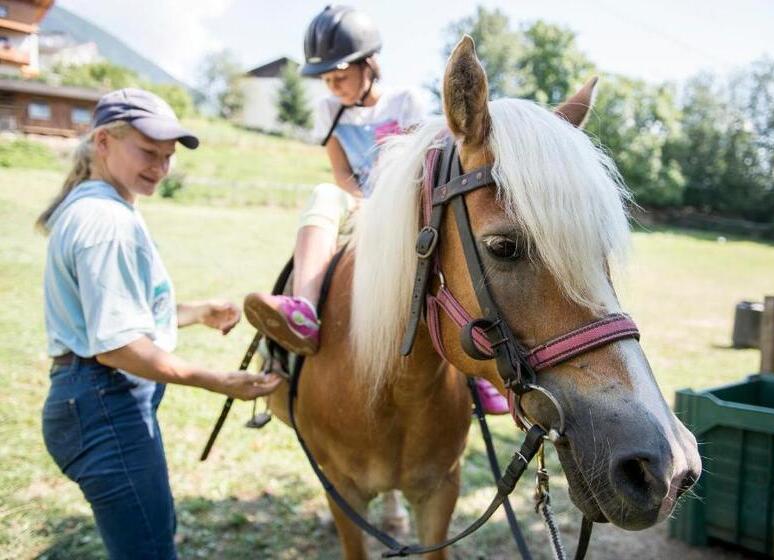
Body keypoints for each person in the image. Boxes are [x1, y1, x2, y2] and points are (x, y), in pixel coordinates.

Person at [39, 88, 280, 559]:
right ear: (103, 142)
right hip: (105, 404)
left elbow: (111, 314)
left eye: (168, 156)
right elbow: (117, 346)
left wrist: (194, 313)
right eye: (149, 152)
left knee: (151, 533)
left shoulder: (97, 206)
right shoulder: (106, 221)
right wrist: (216, 380)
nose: (161, 167)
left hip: (95, 399)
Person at [243, 5, 509, 414]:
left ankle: (477, 374)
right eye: (327, 79)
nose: (334, 86)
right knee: (323, 195)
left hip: (404, 203)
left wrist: (386, 206)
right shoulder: (327, 113)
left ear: (369, 65)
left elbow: (423, 166)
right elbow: (340, 173)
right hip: (359, 199)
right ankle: (304, 310)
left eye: (341, 76)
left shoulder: (405, 103)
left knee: (453, 269)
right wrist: (363, 204)